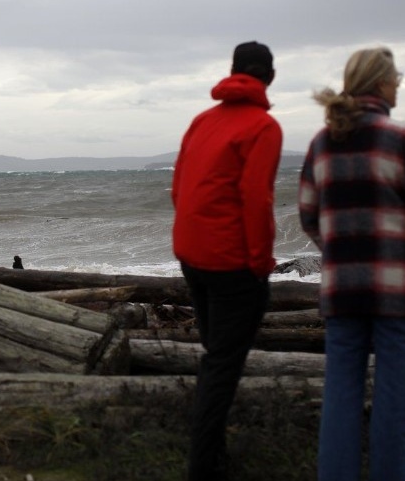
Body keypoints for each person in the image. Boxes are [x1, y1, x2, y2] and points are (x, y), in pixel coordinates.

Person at [299, 47, 405, 480]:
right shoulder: (404, 138)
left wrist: (341, 252)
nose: (398, 82)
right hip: (397, 292)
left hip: (343, 289)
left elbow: (309, 214)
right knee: (394, 401)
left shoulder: (322, 143)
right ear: (381, 83)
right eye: (395, 77)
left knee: (340, 396)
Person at [171, 41, 282, 481]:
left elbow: (179, 190)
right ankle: (204, 468)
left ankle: (214, 456)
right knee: (221, 366)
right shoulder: (264, 127)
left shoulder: (202, 121)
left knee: (215, 357)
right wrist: (260, 264)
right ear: (269, 77)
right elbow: (257, 199)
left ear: (232, 71)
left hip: (191, 256)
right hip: (233, 265)